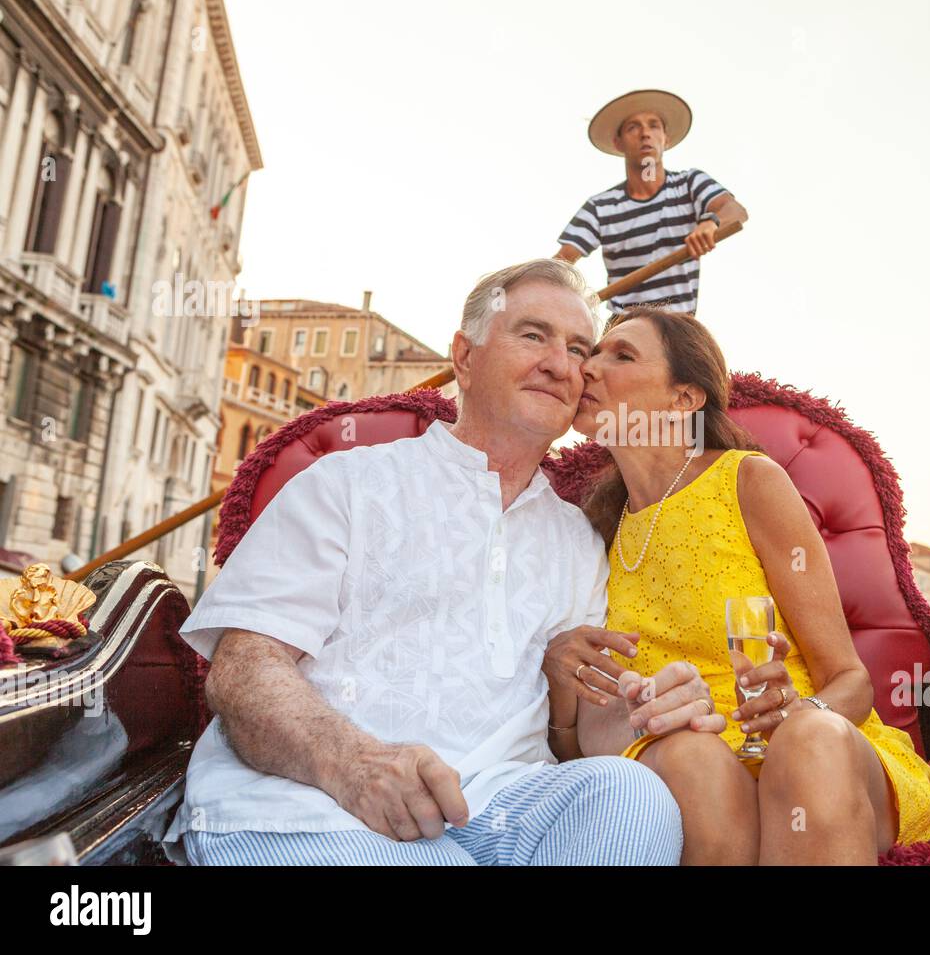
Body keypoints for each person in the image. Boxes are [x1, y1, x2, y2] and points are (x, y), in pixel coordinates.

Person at [163, 261, 715, 866]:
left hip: (506, 805)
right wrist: (353, 762)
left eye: (578, 349)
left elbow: (588, 734)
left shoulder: (579, 541)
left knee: (632, 796)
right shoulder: (348, 484)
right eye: (533, 335)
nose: (562, 364)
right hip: (313, 807)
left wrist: (638, 714)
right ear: (465, 356)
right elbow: (244, 669)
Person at [544, 307, 930, 865]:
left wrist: (795, 713)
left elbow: (850, 681)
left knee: (806, 741)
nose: (589, 367)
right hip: (691, 771)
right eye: (595, 352)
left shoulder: (749, 481)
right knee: (691, 758)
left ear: (685, 399)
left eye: (623, 355)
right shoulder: (589, 530)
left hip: (811, 755)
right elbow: (575, 738)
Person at [554, 89, 749, 315]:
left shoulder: (689, 184)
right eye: (633, 127)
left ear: (665, 139)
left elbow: (735, 211)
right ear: (619, 143)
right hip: (624, 327)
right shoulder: (600, 207)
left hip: (679, 327)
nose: (645, 133)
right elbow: (560, 264)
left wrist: (711, 222)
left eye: (654, 125)